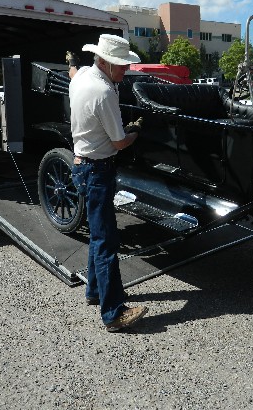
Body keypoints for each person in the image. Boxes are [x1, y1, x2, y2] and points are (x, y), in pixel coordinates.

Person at [68, 34, 148, 332]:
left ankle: (94, 292)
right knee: (107, 241)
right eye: (121, 65)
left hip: (82, 165)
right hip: (98, 170)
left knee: (96, 232)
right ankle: (113, 313)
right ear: (104, 61)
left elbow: (72, 73)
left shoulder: (83, 77)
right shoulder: (103, 92)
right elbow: (118, 143)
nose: (125, 70)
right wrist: (136, 131)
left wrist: (71, 65)